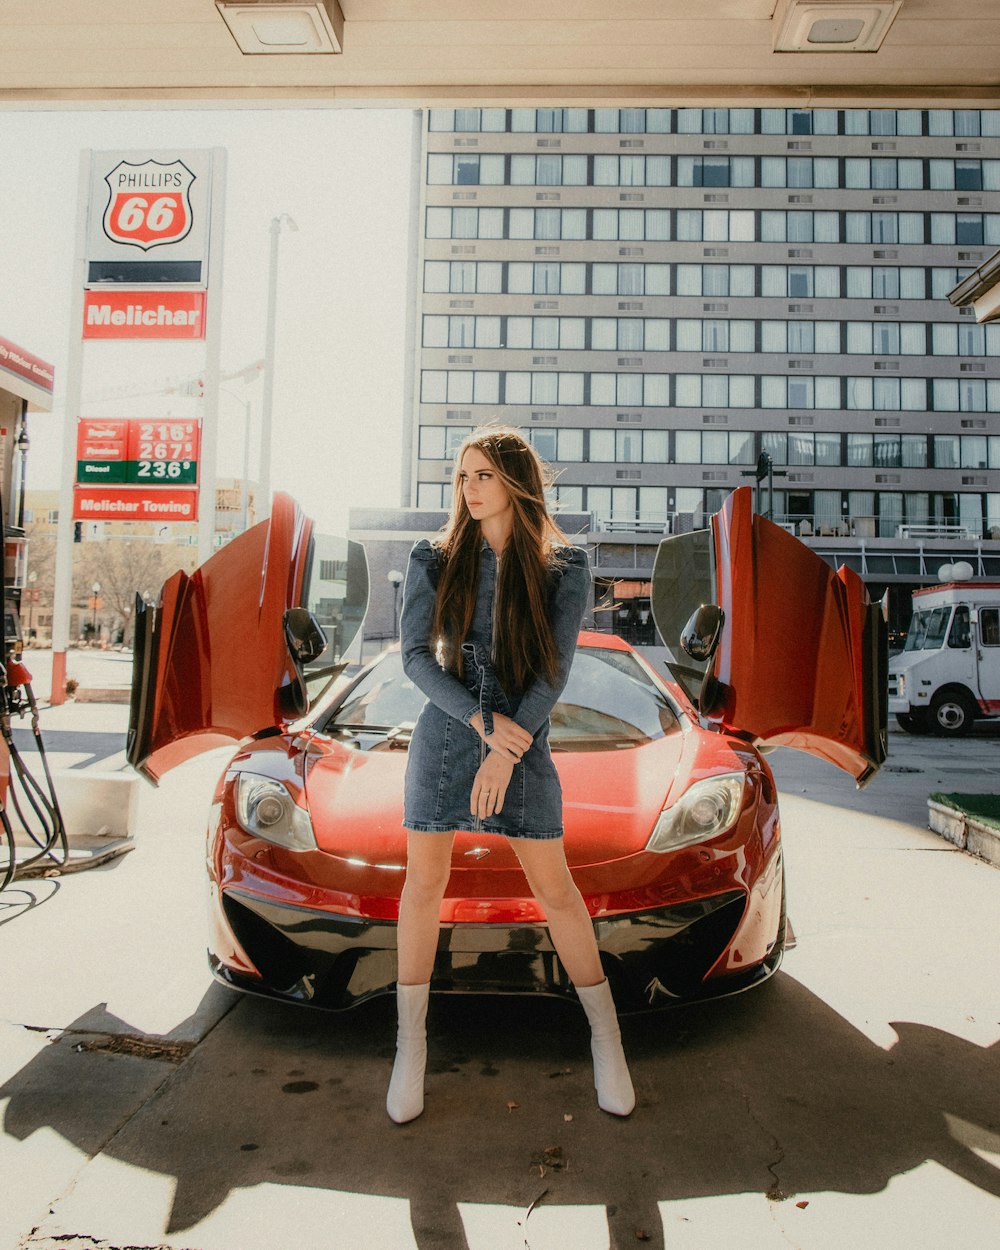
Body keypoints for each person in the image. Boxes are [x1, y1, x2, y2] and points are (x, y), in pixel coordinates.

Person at [387, 425, 635, 1124]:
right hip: (449, 730)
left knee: (557, 891)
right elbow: (414, 658)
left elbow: (554, 670)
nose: (468, 489)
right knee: (424, 887)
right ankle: (411, 1048)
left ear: (516, 482)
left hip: (522, 737)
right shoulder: (433, 557)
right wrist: (478, 725)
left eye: (482, 476)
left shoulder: (565, 566)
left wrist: (505, 748)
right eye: (461, 476)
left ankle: (606, 1040)